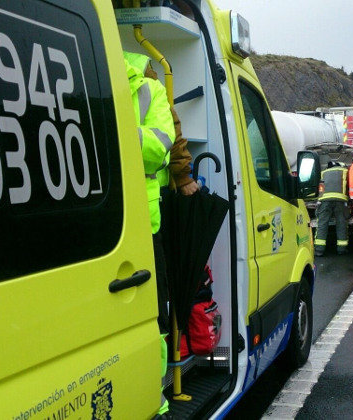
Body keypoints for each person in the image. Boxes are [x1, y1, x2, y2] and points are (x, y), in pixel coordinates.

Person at [125, 51, 196, 417]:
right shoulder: (138, 85)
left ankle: (153, 394)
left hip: (145, 220)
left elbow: (160, 148)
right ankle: (151, 399)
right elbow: (159, 148)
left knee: (155, 313)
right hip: (133, 223)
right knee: (153, 314)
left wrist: (112, 130)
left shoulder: (146, 87)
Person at [314, 161, 349, 256]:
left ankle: (319, 250)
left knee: (322, 224)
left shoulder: (323, 173)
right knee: (341, 223)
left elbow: (320, 190)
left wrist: (318, 201)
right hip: (340, 200)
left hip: (324, 200)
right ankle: (341, 249)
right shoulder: (344, 171)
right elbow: (348, 186)